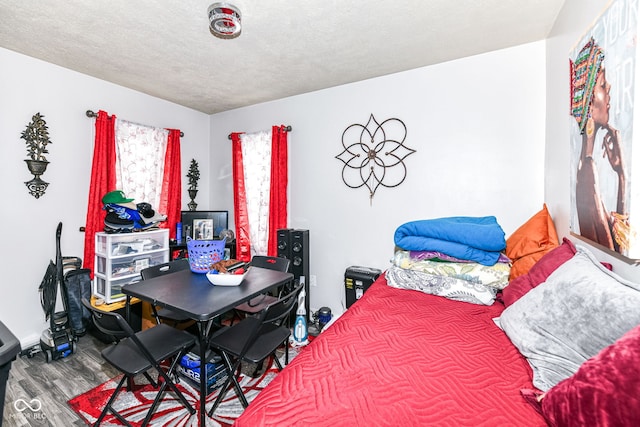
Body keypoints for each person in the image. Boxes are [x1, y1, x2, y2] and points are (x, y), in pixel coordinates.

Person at [571, 37, 629, 253]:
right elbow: (617, 251)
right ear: (589, 104)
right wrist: (623, 177)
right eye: (603, 85)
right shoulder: (588, 172)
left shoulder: (583, 167)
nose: (609, 88)